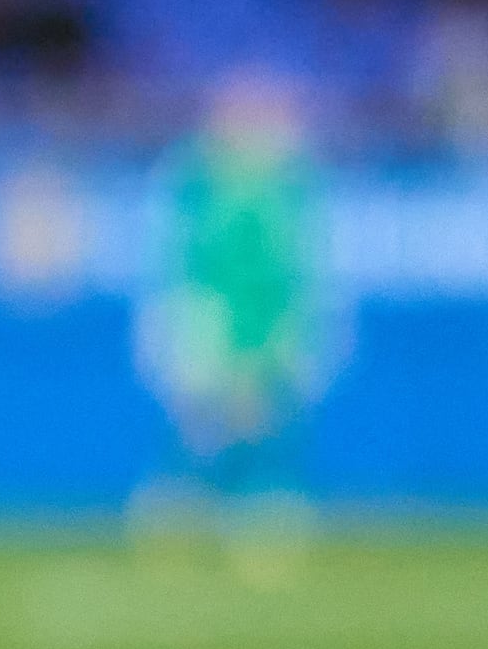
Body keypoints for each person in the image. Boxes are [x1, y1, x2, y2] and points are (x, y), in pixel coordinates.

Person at [133, 68, 339, 580]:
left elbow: (294, 268)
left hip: (264, 325)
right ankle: (180, 512)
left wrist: (283, 331)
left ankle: (262, 518)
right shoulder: (198, 181)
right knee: (203, 424)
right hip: (211, 323)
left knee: (265, 421)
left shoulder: (287, 187)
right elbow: (188, 261)